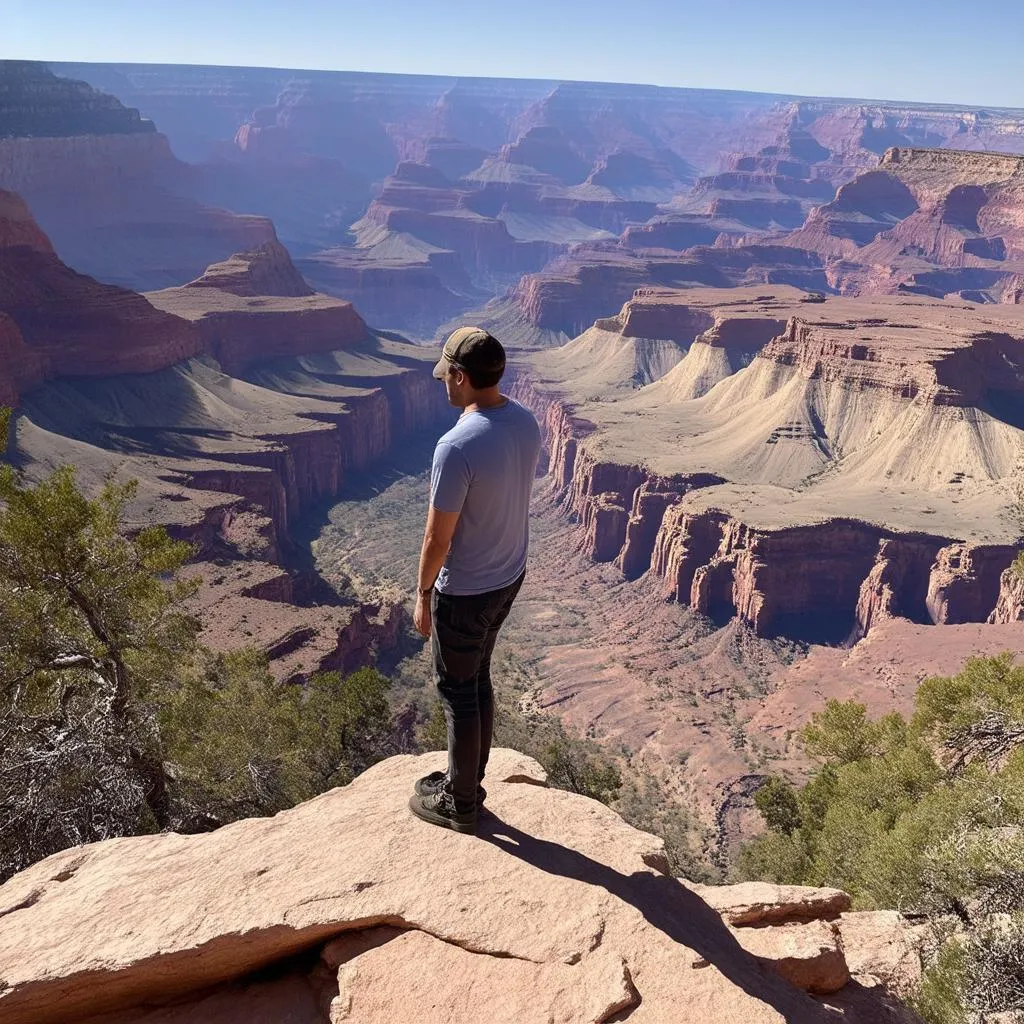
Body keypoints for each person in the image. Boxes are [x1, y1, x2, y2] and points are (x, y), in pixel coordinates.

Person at [408, 326, 541, 834]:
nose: (444, 384)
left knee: (457, 690)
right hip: (509, 575)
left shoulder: (456, 445)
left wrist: (423, 595)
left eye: (448, 376)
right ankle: (467, 779)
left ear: (460, 378)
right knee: (477, 677)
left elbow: (435, 540)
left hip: (465, 590)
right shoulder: (525, 421)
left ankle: (461, 803)